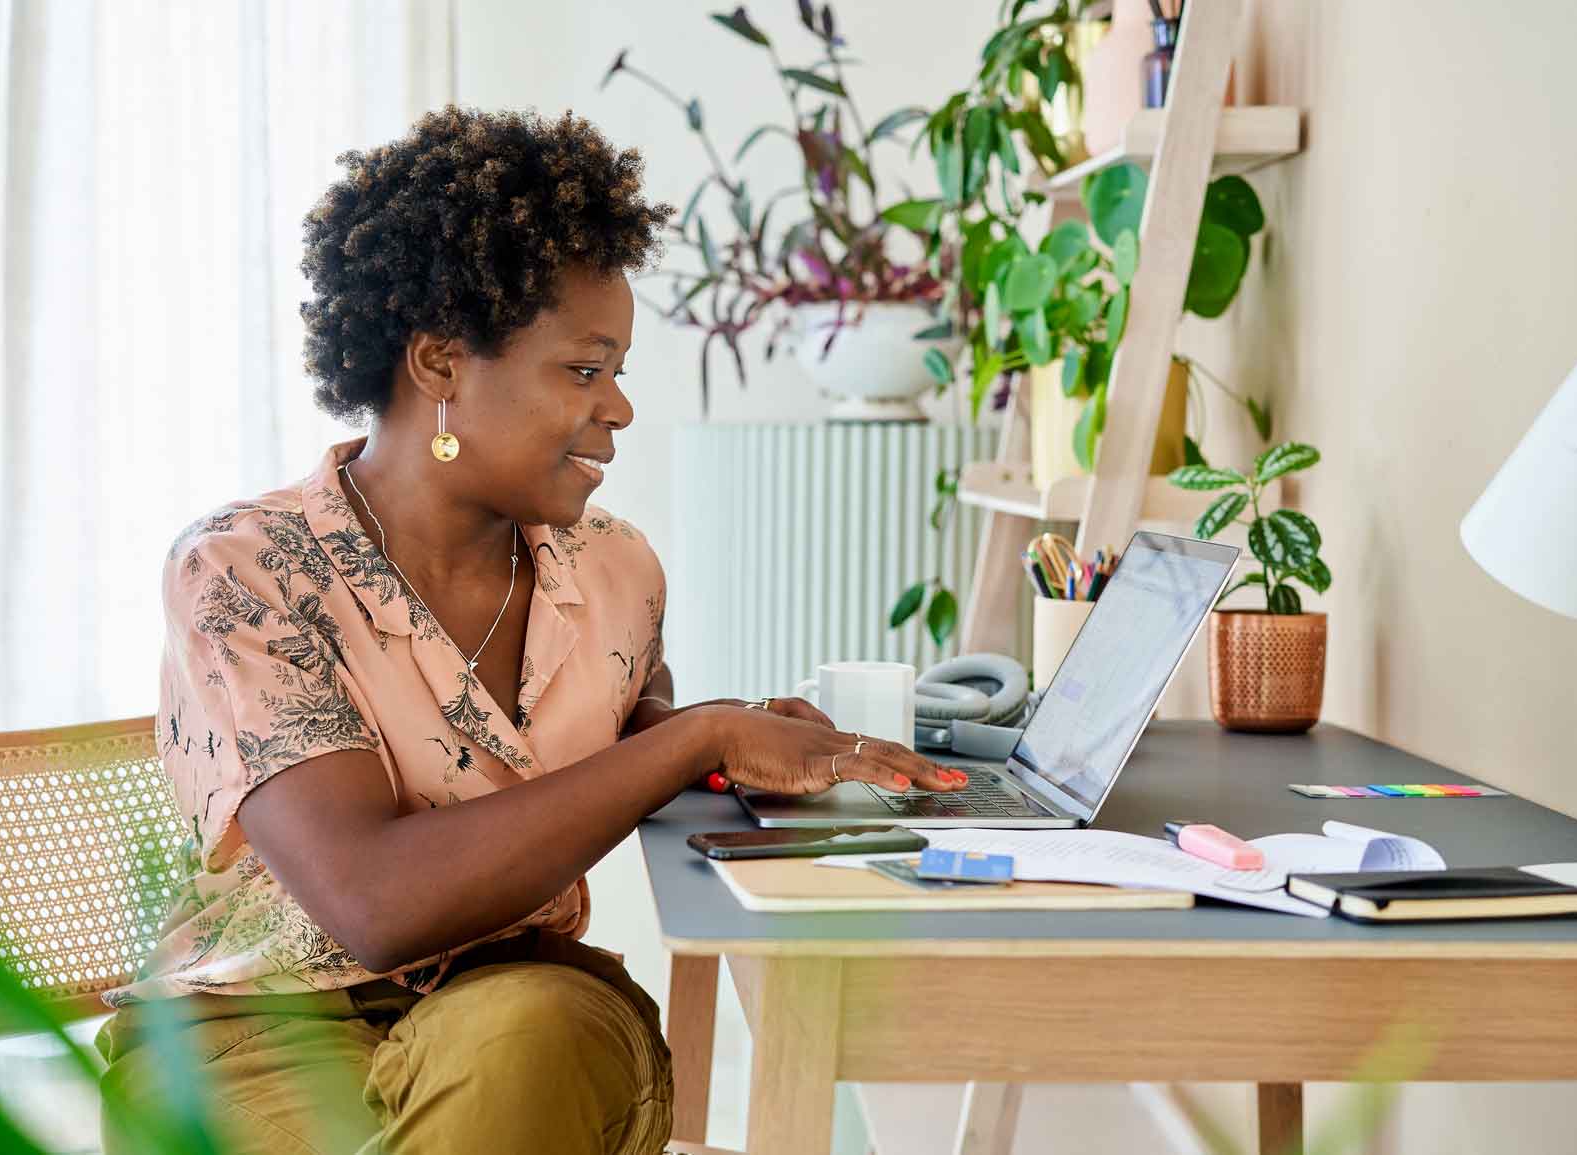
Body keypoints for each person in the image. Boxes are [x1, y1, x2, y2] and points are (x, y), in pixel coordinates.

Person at [96, 104, 966, 1155]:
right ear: (438, 364)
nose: (619, 412)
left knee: (532, 1042)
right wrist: (701, 737)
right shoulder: (245, 572)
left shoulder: (615, 565)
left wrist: (733, 742)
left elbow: (624, 743)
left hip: (514, 997)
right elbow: (373, 902)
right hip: (256, 1024)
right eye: (584, 370)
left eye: (619, 375)